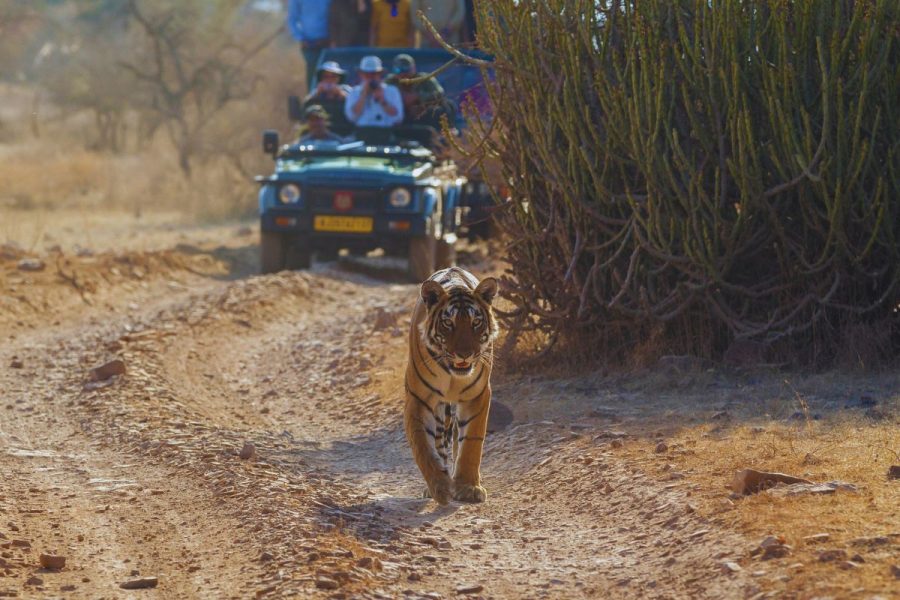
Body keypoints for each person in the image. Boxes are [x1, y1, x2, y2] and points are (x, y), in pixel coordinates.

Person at [385, 53, 447, 127]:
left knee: (447, 105)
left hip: (423, 118)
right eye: (398, 70)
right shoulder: (389, 81)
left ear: (413, 69)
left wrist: (417, 97)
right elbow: (380, 94)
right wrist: (400, 98)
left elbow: (440, 93)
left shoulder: (424, 78)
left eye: (406, 70)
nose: (403, 73)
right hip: (398, 118)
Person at [345, 56, 404, 127]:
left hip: (386, 132)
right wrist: (363, 95)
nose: (370, 78)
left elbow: (398, 118)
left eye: (373, 74)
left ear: (380, 74)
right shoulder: (354, 92)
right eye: (367, 74)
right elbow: (351, 117)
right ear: (361, 75)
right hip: (362, 133)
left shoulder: (392, 91)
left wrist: (383, 101)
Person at [287, 0, 333, 91]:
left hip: (329, 44)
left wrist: (333, 38)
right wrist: (301, 38)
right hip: (310, 45)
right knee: (313, 76)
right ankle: (312, 100)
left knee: (331, 73)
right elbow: (292, 20)